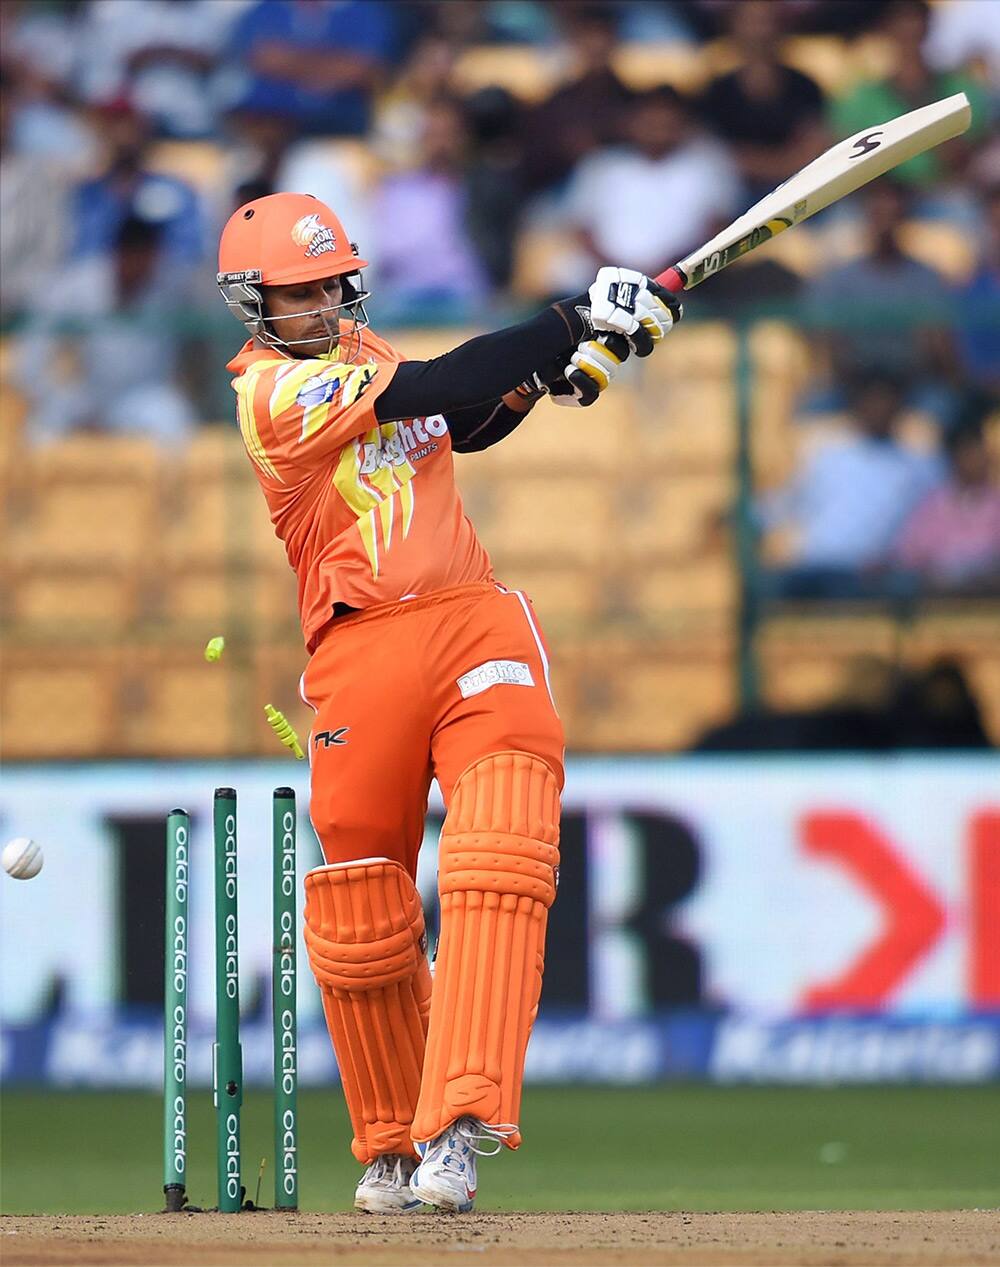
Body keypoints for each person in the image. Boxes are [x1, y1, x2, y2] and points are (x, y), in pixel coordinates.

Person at [216, 192, 681, 1213]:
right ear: (254, 305)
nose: (325, 301)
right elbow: (436, 382)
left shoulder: (363, 349)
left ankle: (460, 1123)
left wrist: (553, 372)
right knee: (363, 906)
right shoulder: (265, 394)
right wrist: (567, 319)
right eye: (298, 291)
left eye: (333, 281)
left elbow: (461, 419)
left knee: (502, 854)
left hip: (474, 620)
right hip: (357, 648)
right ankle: (390, 1142)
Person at [757, 370, 941, 598]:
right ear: (857, 405)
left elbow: (936, 520)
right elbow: (786, 504)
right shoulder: (825, 453)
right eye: (872, 400)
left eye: (887, 401)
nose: (879, 409)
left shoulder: (920, 465)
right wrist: (748, 517)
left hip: (868, 575)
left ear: (900, 407)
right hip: (812, 566)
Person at [893, 420, 1000, 592]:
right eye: (968, 454)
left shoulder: (997, 502)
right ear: (954, 459)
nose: (976, 462)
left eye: (980, 454)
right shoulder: (933, 504)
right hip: (939, 593)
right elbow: (909, 554)